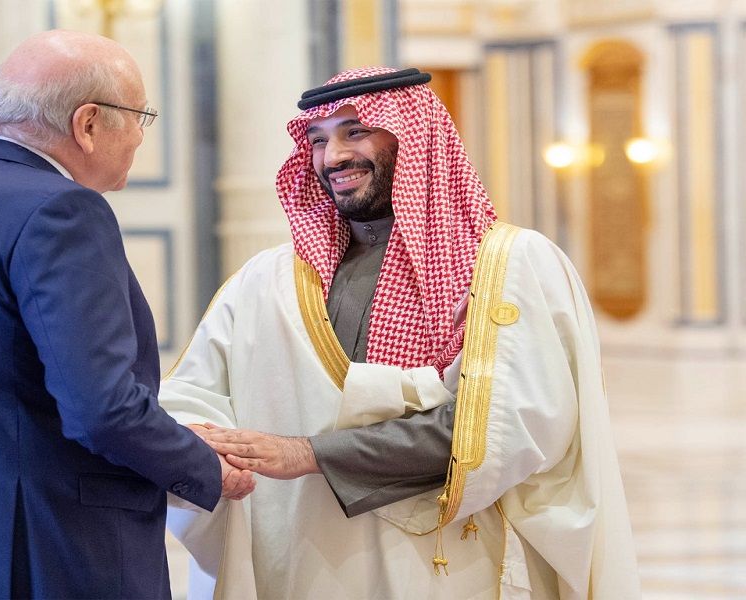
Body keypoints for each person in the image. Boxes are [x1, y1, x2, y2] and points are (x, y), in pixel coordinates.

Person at [161, 67, 639, 599]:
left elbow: (508, 425)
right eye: (317, 140)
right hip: (295, 560)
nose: (333, 157)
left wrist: (310, 453)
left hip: (448, 565)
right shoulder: (265, 280)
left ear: (414, 139)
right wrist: (203, 445)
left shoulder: (508, 266)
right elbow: (192, 393)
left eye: (356, 132)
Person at [0, 30, 253, 599]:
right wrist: (204, 466)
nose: (140, 138)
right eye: (139, 117)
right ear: (88, 123)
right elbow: (102, 410)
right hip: (41, 548)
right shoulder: (62, 211)